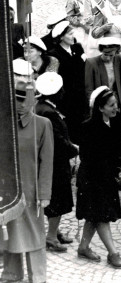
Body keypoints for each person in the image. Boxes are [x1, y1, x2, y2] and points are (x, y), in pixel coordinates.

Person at [0, 60, 54, 283]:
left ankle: (38, 275)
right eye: (16, 98)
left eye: (24, 99)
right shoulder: (5, 125)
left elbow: (47, 162)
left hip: (32, 190)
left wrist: (44, 193)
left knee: (34, 231)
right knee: (11, 229)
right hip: (10, 188)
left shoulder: (43, 125)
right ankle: (12, 272)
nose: (19, 104)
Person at [73, 85, 121, 269]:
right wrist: (106, 171)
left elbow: (120, 148)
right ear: (100, 107)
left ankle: (83, 247)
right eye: (111, 105)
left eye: (116, 104)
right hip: (93, 179)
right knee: (102, 216)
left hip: (108, 177)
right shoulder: (88, 127)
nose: (115, 108)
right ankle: (113, 253)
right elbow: (87, 157)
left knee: (94, 215)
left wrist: (117, 169)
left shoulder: (115, 123)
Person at [33, 73, 76, 255]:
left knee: (53, 200)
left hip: (48, 162)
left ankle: (54, 231)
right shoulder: (49, 112)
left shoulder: (41, 107)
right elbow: (58, 141)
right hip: (56, 164)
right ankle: (51, 237)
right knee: (58, 199)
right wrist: (75, 150)